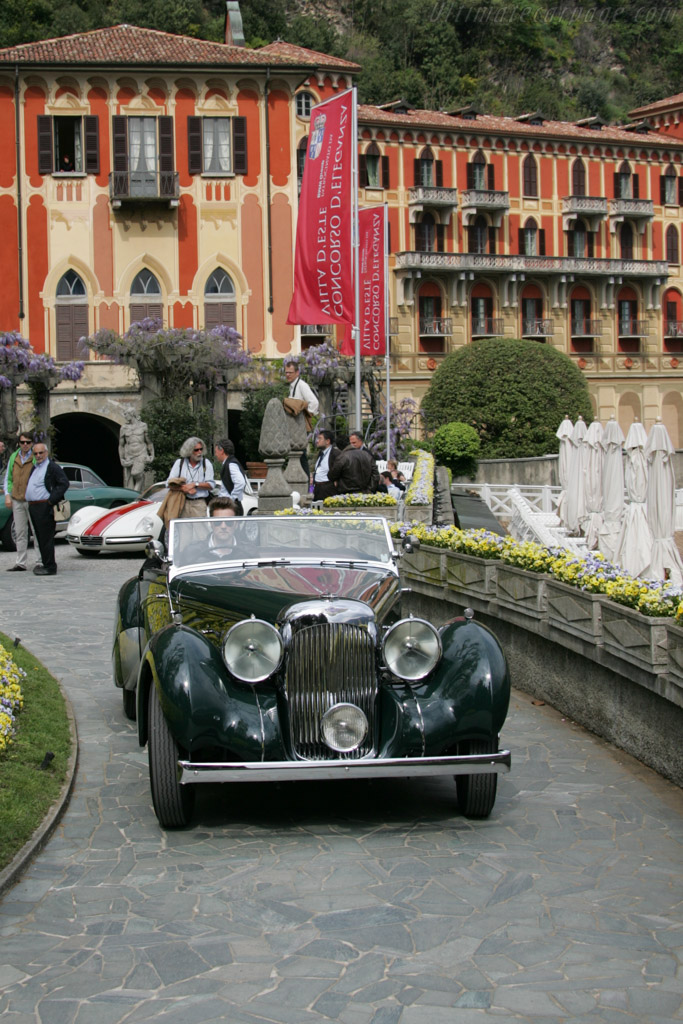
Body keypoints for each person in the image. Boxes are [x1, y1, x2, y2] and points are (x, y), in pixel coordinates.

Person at [25, 441, 69, 576]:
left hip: (44, 505)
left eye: (41, 453)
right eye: (36, 453)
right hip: (34, 506)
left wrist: (51, 500)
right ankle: (45, 563)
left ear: (46, 453)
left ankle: (50, 566)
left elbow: (64, 483)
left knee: (46, 538)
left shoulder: (52, 467)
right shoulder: (35, 467)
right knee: (39, 537)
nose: (38, 456)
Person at [4, 433, 36, 571]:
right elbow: (8, 478)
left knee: (37, 531)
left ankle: (40, 561)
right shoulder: (14, 457)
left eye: (28, 442)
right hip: (17, 499)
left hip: (32, 500)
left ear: (31, 443)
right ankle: (20, 562)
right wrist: (7, 495)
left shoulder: (36, 456)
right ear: (19, 443)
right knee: (20, 532)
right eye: (22, 442)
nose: (25, 445)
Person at [284, 360, 318, 478]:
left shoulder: (302, 385)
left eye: (290, 372)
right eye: (286, 372)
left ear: (297, 372)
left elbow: (314, 402)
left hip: (300, 425)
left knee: (301, 454)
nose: (288, 375)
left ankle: (306, 481)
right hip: (294, 425)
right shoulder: (293, 385)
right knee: (297, 454)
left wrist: (307, 415)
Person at [181, 497, 240, 564]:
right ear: (211, 523)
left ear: (236, 524)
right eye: (217, 522)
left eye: (229, 522)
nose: (223, 526)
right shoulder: (191, 552)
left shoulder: (249, 551)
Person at [166, 437, 215, 518]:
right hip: (182, 502)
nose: (199, 452)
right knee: (183, 530)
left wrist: (195, 484)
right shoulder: (180, 463)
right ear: (189, 451)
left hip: (199, 503)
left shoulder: (206, 463)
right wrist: (183, 488)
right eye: (196, 450)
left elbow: (211, 485)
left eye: (201, 449)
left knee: (201, 530)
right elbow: (168, 483)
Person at [118, 409, 154, 492]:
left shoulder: (143, 426)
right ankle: (133, 496)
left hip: (141, 453)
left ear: (132, 414)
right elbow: (121, 445)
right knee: (128, 479)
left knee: (136, 473)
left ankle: (136, 492)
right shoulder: (124, 428)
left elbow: (149, 441)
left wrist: (152, 454)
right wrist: (121, 459)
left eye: (126, 413)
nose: (125, 416)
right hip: (129, 455)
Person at [214, 438, 246, 515]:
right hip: (230, 505)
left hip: (231, 506)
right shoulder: (229, 463)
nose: (215, 454)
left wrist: (231, 499)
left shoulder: (231, 464)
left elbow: (240, 482)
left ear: (221, 451)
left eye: (216, 452)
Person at [312, 429, 340, 501]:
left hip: (328, 488)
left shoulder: (335, 453)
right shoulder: (321, 453)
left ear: (327, 441)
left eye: (320, 438)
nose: (317, 441)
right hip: (318, 487)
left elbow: (339, 468)